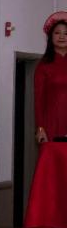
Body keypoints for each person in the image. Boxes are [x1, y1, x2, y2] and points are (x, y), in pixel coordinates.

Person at [35, 11, 67, 145]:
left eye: (66, 33)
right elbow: (38, 100)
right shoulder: (44, 65)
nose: (62, 36)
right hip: (52, 124)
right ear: (50, 37)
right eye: (57, 33)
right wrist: (40, 128)